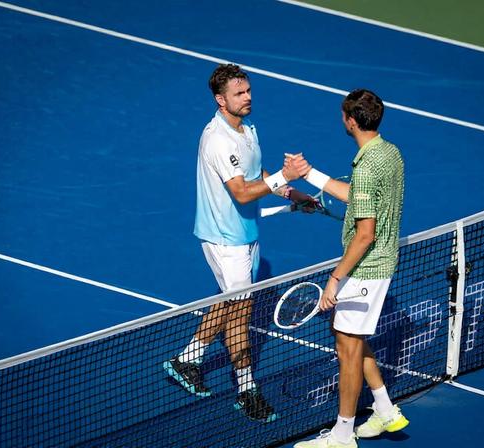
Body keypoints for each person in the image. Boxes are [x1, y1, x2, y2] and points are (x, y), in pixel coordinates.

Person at [164, 63, 316, 423]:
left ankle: (187, 359)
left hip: (247, 234)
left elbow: (258, 176)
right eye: (239, 94)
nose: (248, 98)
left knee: (231, 302)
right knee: (241, 312)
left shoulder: (247, 129)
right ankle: (248, 389)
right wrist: (286, 175)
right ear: (221, 100)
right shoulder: (217, 140)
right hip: (224, 239)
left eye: (248, 91)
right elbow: (243, 193)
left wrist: (294, 193)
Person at [288, 89, 407, 447]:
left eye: (343, 116)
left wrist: (334, 279)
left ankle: (342, 435)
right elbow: (355, 194)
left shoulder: (368, 166)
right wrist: (308, 174)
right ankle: (386, 410)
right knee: (349, 342)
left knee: (348, 350)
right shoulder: (389, 153)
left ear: (351, 121)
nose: (342, 121)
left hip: (366, 269)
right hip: (380, 263)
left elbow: (365, 234)